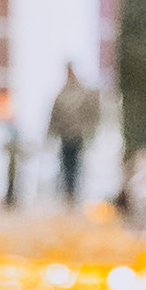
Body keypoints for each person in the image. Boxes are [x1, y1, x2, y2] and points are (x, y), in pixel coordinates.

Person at [48, 65, 101, 206]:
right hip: (65, 135)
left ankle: (75, 192)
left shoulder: (83, 93)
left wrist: (88, 129)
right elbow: (55, 114)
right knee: (66, 164)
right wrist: (52, 132)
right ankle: (67, 191)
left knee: (76, 164)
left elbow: (91, 113)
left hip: (78, 134)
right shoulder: (62, 93)